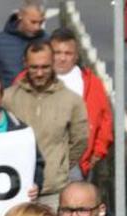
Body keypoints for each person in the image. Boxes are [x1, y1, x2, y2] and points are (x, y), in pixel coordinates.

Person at [3, 40, 88, 208]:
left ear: (53, 64)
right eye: (34, 67)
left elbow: (80, 139)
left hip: (54, 193)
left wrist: (60, 167)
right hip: (16, 192)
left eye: (45, 67)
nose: (40, 73)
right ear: (25, 64)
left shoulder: (71, 100)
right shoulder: (8, 98)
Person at [45, 28, 112, 182]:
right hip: (42, 159)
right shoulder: (32, 77)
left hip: (76, 162)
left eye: (67, 54)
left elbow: (104, 119)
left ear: (76, 56)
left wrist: (97, 152)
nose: (62, 58)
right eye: (57, 52)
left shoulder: (91, 82)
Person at [0, 0, 46, 88]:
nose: (37, 27)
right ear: (20, 15)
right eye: (33, 22)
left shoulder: (48, 41)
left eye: (41, 23)